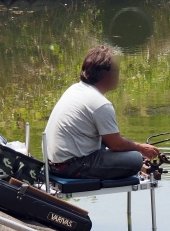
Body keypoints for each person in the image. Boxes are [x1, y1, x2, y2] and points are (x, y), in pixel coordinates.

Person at [44, 45, 159, 180]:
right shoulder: (100, 104)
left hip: (52, 164)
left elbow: (112, 140)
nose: (119, 75)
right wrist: (141, 148)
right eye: (117, 70)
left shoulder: (75, 89)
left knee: (112, 140)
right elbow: (116, 144)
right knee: (135, 160)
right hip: (72, 167)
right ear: (106, 75)